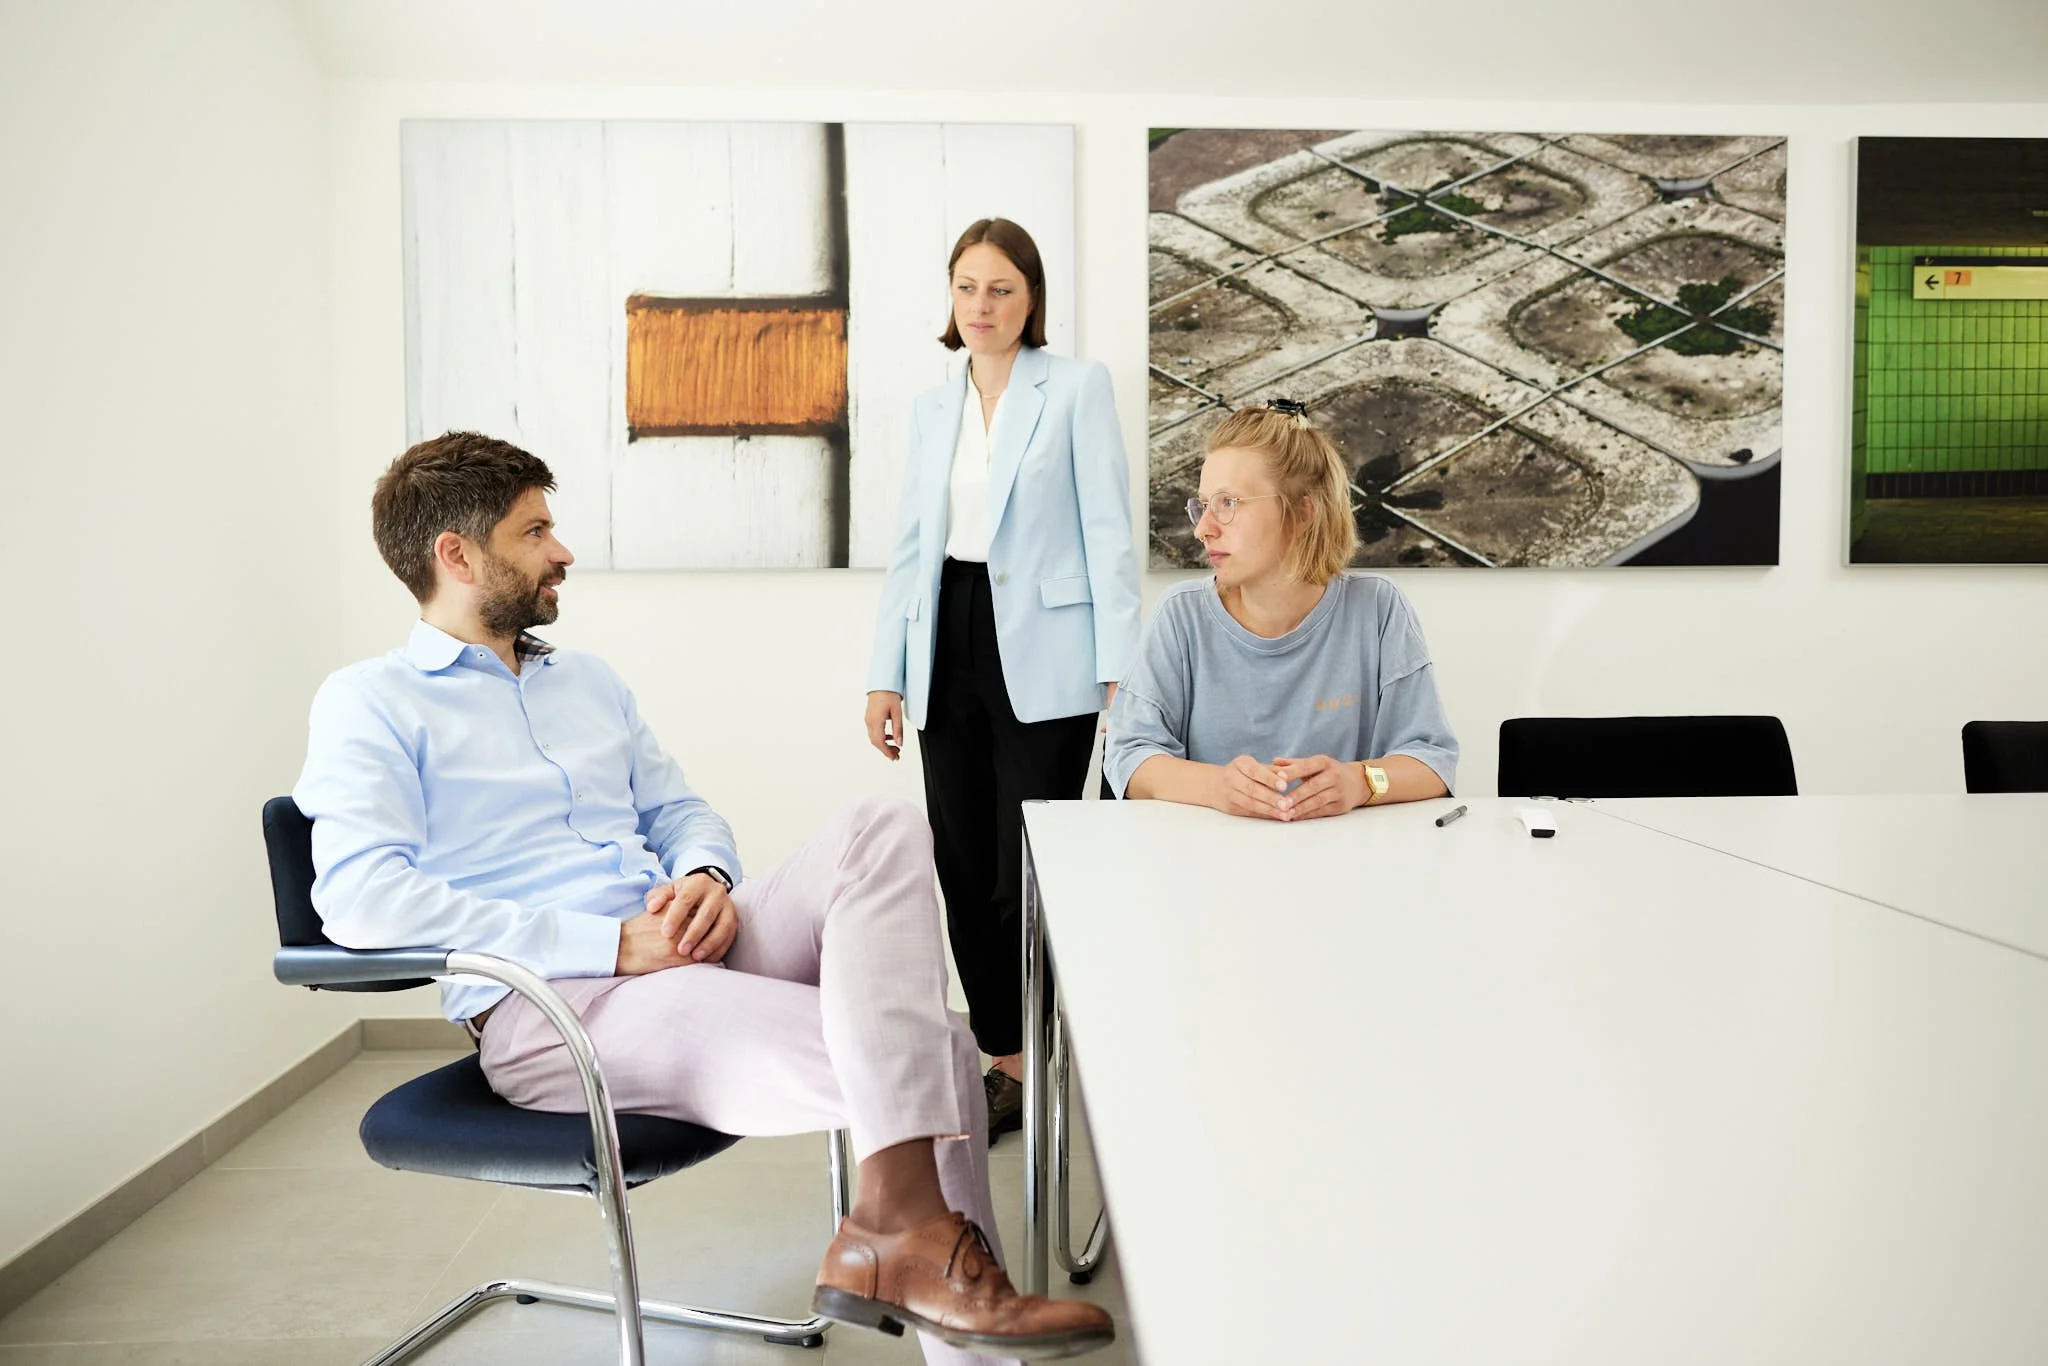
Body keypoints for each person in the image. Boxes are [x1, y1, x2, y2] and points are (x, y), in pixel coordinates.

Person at [293, 432, 1113, 1363]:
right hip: (564, 1007)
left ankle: (895, 1240)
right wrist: (609, 945)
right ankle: (945, 1296)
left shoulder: (588, 682)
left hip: (683, 941)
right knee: (936, 1054)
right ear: (457, 553)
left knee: (880, 825)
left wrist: (706, 877)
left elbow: (681, 810)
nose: (562, 551)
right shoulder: (370, 702)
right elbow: (359, 901)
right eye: (535, 532)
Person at [865, 218, 1140, 1140]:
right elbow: (909, 550)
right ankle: (1007, 1061)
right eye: (967, 287)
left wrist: (1120, 668)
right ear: (951, 298)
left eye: (1002, 289)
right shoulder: (930, 408)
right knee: (960, 857)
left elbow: (1109, 531)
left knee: (1030, 866)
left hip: (1051, 650)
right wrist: (885, 675)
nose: (982, 306)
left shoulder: (1076, 388)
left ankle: (1065, 1045)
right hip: (947, 636)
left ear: (1032, 300)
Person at [1105, 401, 1458, 815]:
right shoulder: (1181, 616)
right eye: (1203, 505)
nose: (1203, 528)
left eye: (1228, 503)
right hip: (1205, 865)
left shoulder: (1378, 610)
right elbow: (1129, 755)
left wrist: (1360, 782)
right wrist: (1218, 787)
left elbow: (1433, 761)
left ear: (1303, 511)